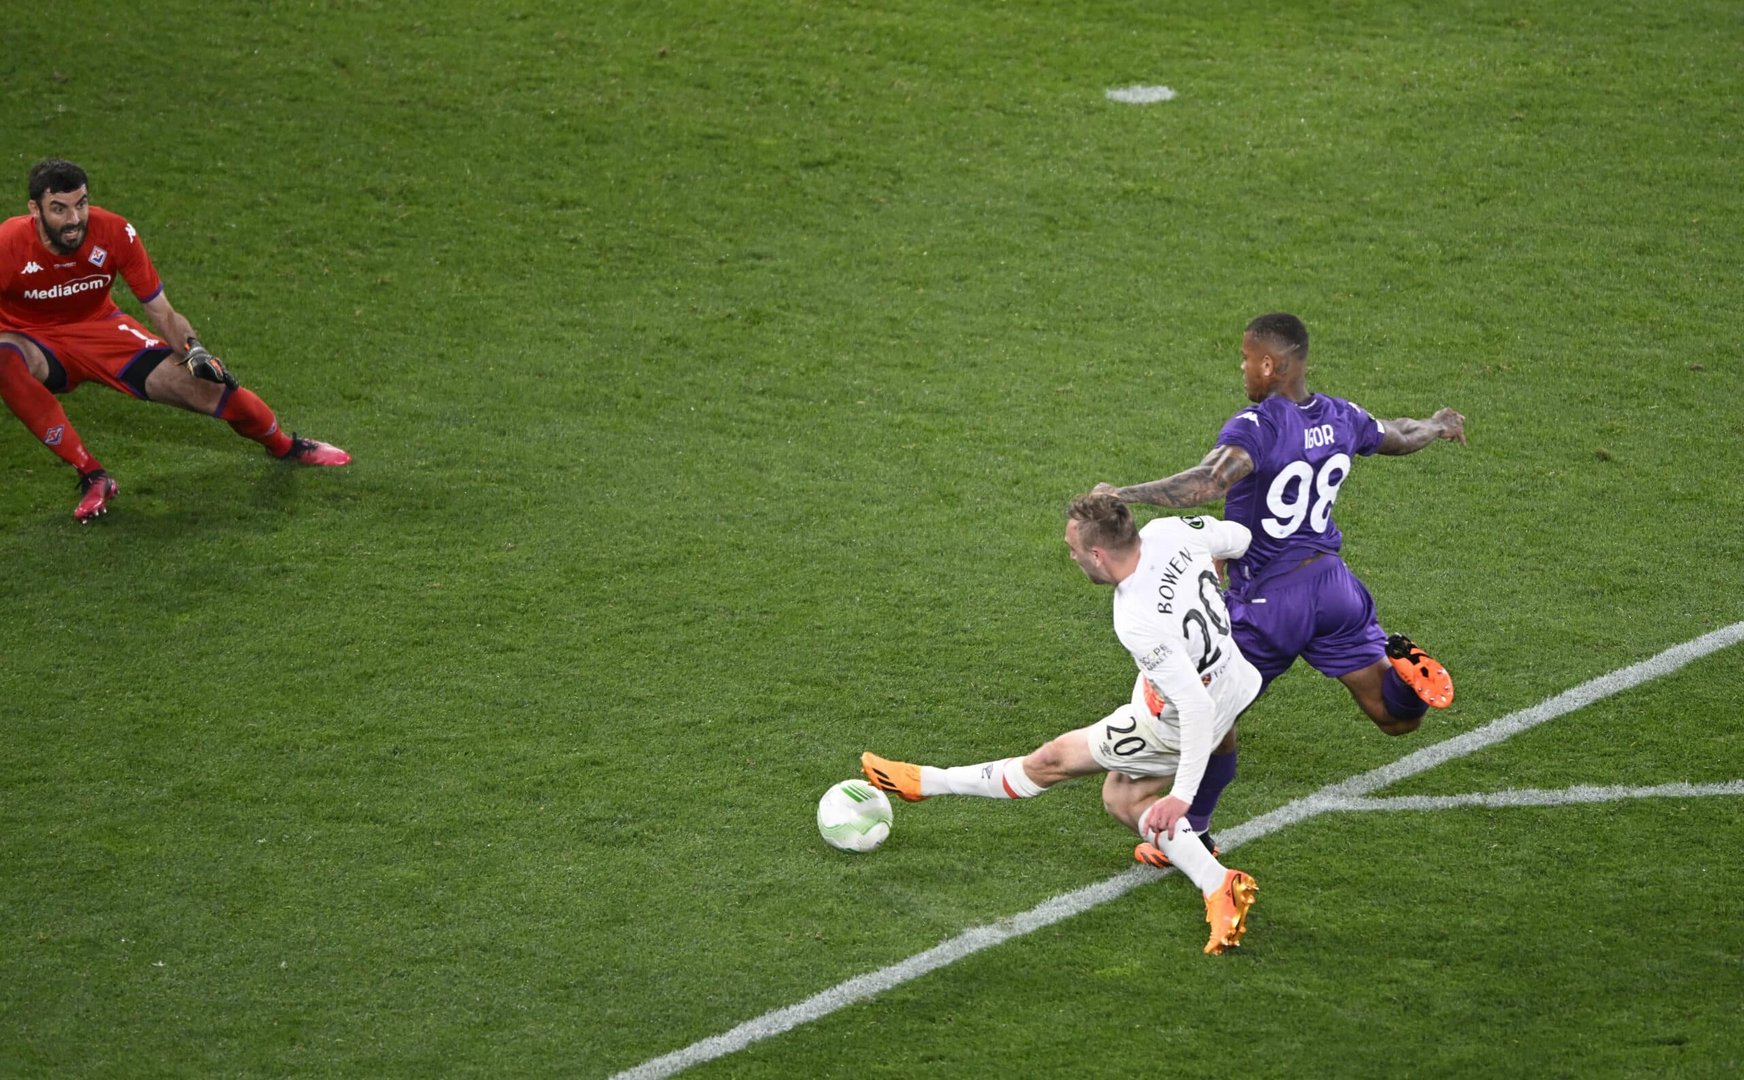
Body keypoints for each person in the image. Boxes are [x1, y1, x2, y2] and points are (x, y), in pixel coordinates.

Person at [1093, 311, 1466, 837]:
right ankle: (1408, 678)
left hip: (1269, 602)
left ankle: (1195, 829)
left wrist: (1122, 494)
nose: (1242, 369)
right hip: (1334, 589)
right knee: (1396, 717)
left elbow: (1208, 482)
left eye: (1246, 359)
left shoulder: (1259, 426)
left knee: (1209, 714)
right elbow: (1400, 434)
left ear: (1269, 365)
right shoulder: (1341, 415)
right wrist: (1438, 424)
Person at [862, 493, 1261, 955]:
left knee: (1062, 767)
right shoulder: (1170, 531)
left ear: (1098, 554)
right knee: (1124, 791)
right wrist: (1210, 574)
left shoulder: (1136, 616)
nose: (1071, 557)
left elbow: (1193, 707)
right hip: (1234, 678)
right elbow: (1240, 538)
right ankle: (1203, 861)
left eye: (1074, 550)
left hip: (1176, 720)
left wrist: (1181, 797)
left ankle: (924, 782)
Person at [0, 159, 350, 523]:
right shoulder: (7, 245)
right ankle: (92, 475)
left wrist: (194, 350)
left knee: (209, 388)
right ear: (35, 210)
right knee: (4, 359)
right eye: (59, 209)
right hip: (30, 339)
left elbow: (162, 311)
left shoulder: (114, 232)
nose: (74, 219)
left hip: (102, 332)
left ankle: (284, 446)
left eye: (81, 204)